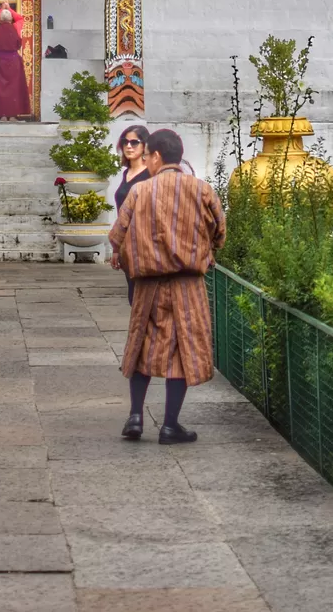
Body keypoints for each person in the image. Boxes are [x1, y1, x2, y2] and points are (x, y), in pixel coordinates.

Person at [110, 127, 225, 446]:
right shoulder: (202, 190)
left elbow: (117, 234)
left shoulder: (139, 192)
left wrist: (130, 253)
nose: (147, 160)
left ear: (157, 156)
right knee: (182, 350)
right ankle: (170, 425)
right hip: (188, 286)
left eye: (148, 155)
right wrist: (208, 249)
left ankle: (135, 416)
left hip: (147, 285)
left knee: (142, 346)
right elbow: (220, 230)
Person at [110, 124, 151, 304]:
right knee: (133, 297)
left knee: (143, 298)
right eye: (125, 142)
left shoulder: (150, 174)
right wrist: (116, 249)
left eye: (134, 142)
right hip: (126, 245)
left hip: (144, 244)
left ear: (145, 146)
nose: (129, 146)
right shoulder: (126, 173)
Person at [0, 0, 31, 121]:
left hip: (0, 61)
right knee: (14, 89)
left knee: (1, 89)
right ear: (11, 19)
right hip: (14, 61)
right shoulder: (16, 27)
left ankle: (3, 116)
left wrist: (2, 9)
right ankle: (13, 116)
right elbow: (20, 18)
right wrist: (9, 8)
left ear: (0, 19)